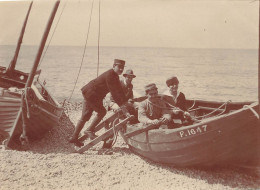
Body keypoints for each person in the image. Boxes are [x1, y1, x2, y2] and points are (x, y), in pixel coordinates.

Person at [69, 59, 128, 147]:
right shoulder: (110, 75)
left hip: (90, 93)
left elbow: (120, 90)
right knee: (102, 112)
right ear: (113, 66)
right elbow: (115, 94)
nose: (121, 69)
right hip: (92, 94)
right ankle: (89, 130)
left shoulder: (115, 76)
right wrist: (123, 107)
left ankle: (74, 137)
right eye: (119, 67)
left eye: (122, 68)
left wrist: (126, 101)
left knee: (85, 116)